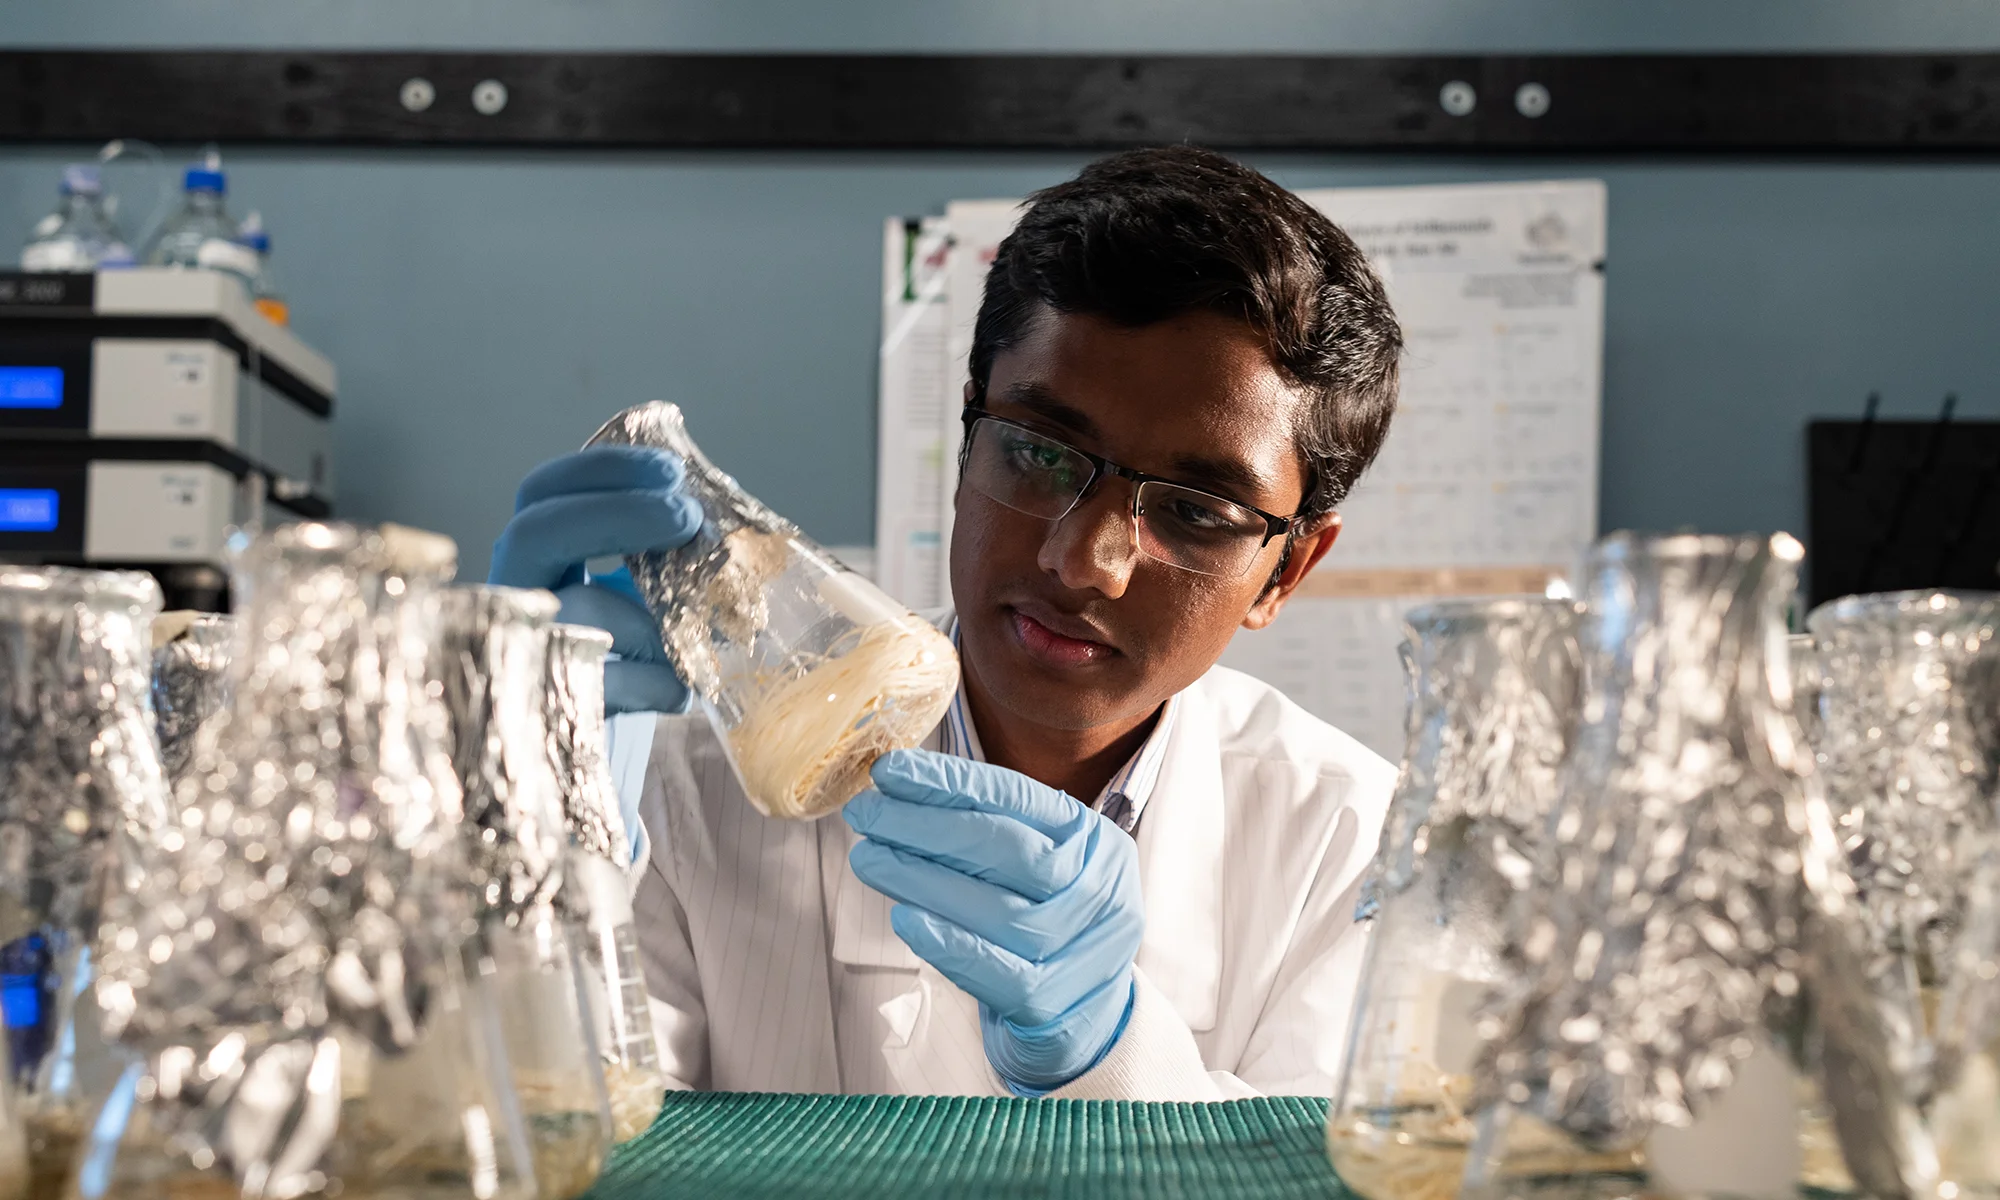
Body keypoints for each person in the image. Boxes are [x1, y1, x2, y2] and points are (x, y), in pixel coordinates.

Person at [490, 145, 1403, 1099]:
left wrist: (1115, 1054)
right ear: (969, 437)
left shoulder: (1355, 849)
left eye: (1195, 512)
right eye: (1040, 454)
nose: (1080, 560)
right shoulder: (676, 783)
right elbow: (546, 1139)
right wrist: (520, 822)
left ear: (1285, 571)